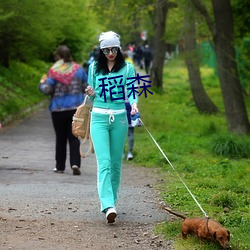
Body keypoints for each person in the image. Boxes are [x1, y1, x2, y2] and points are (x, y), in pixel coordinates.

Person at [85, 31, 138, 223]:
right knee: (104, 163)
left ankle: (112, 202)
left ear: (119, 48)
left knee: (116, 164)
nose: (110, 53)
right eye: (106, 50)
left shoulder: (128, 68)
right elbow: (91, 97)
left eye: (114, 49)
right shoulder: (94, 68)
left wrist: (134, 104)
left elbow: (132, 91)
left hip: (120, 119)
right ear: (101, 50)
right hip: (98, 118)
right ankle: (107, 204)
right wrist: (90, 92)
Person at [39, 45, 88, 175]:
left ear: (58, 57)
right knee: (74, 137)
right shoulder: (79, 69)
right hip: (75, 109)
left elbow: (47, 90)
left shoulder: (54, 71)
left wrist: (42, 83)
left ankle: (60, 166)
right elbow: (86, 87)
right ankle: (75, 163)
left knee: (60, 138)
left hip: (58, 109)